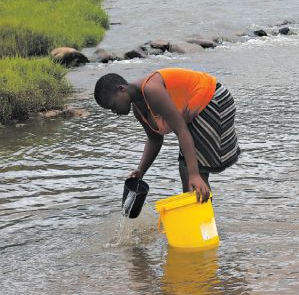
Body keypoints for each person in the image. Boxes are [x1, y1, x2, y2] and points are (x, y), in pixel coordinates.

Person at [94, 68, 240, 202]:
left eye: (113, 106)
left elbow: (181, 130)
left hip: (212, 99)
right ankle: (197, 222)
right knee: (186, 168)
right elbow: (154, 139)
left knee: (193, 171)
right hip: (196, 111)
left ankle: (201, 224)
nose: (114, 111)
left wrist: (194, 174)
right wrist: (141, 170)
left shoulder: (151, 90)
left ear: (121, 89)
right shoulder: (138, 110)